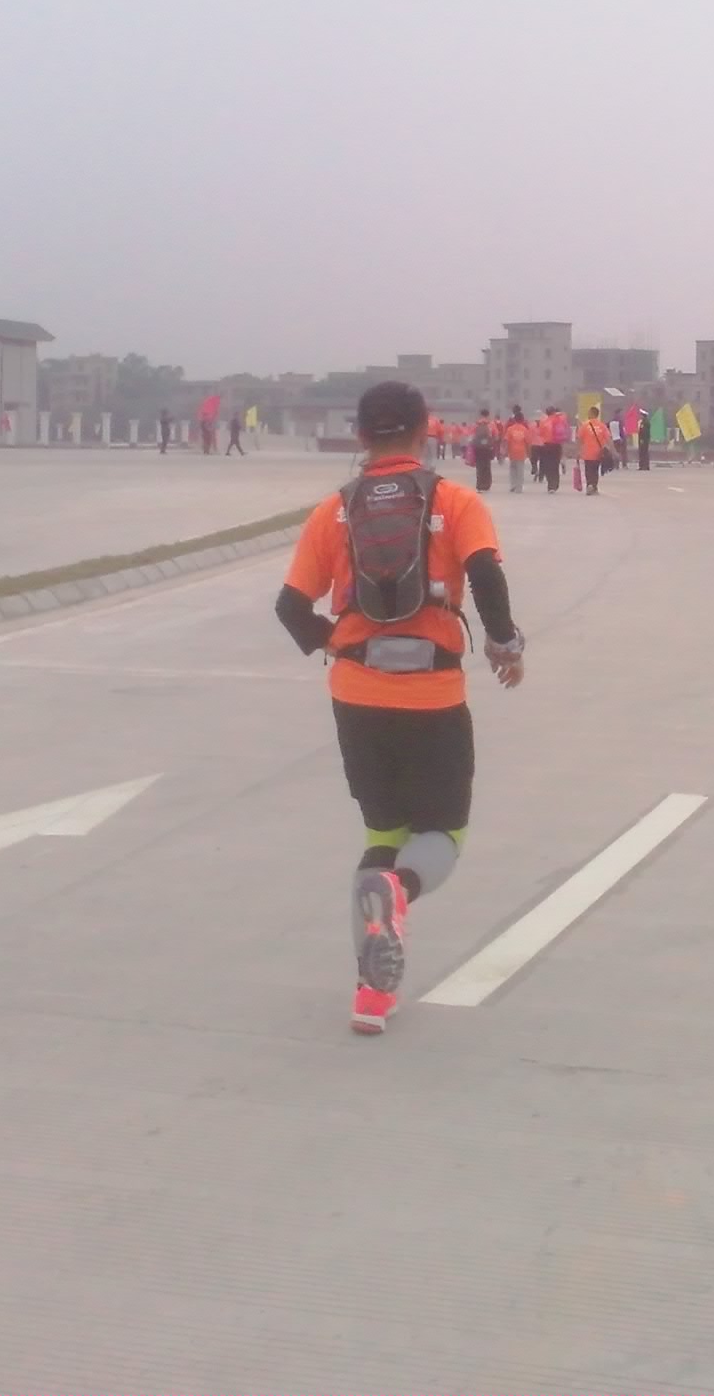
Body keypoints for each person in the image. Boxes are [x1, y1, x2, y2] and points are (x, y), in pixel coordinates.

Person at [275, 381, 526, 1037]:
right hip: (433, 696)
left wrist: (339, 645)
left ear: (361, 437)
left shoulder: (332, 512)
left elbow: (290, 608)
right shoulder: (455, 501)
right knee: (441, 835)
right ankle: (400, 892)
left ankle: (371, 995)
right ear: (425, 431)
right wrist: (505, 646)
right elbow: (486, 575)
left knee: (383, 836)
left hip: (357, 696)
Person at [577, 405, 613, 494]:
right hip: (599, 453)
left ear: (592, 414)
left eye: (589, 412)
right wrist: (612, 450)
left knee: (588, 470)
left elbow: (579, 439)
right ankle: (594, 486)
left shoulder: (585, 425)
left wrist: (578, 450)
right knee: (595, 470)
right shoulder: (602, 426)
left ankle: (590, 484)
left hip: (587, 452)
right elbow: (608, 439)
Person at [501, 408, 531, 494]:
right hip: (521, 453)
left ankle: (513, 485)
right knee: (520, 471)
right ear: (522, 420)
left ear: (515, 419)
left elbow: (506, 441)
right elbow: (528, 442)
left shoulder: (510, 429)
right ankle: (519, 487)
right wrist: (529, 453)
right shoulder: (525, 430)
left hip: (512, 452)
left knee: (512, 469)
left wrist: (505, 451)